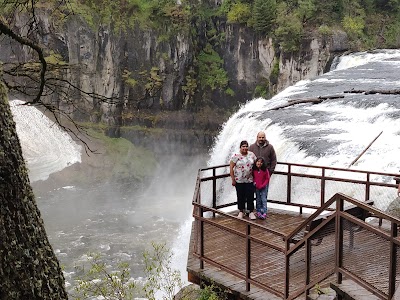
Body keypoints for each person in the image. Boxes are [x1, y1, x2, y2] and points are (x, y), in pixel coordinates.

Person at [230, 140, 257, 220]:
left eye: (246, 146)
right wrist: (233, 179)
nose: (245, 148)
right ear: (240, 147)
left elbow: (256, 165)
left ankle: (251, 211)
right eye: (243, 146)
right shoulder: (236, 156)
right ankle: (241, 211)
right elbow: (231, 167)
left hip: (250, 180)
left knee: (250, 196)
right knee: (240, 196)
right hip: (239, 180)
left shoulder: (252, 155)